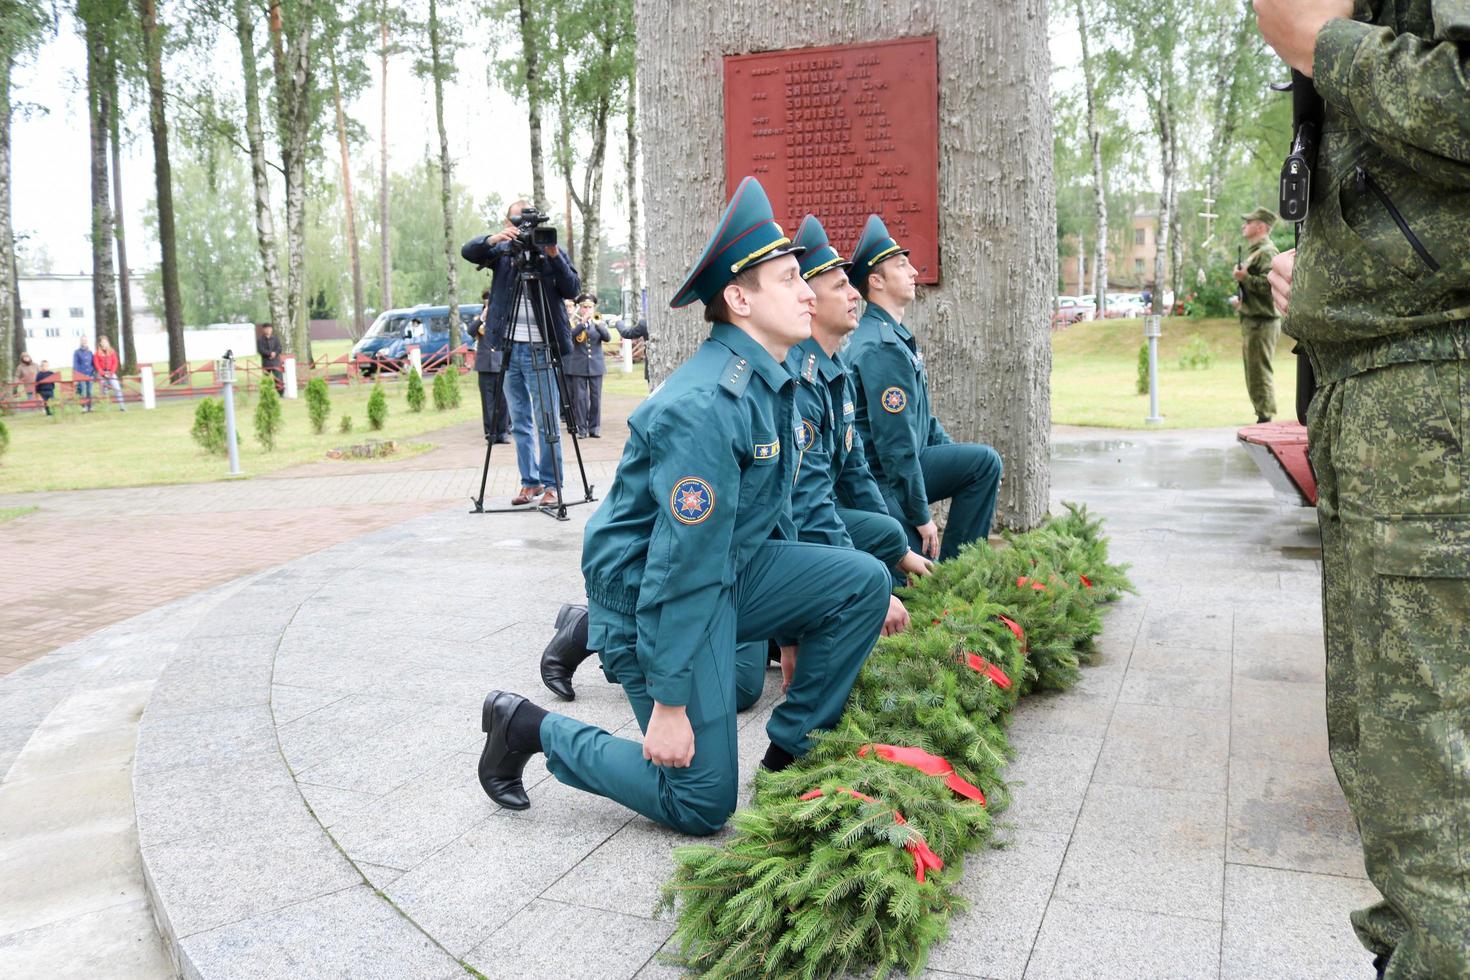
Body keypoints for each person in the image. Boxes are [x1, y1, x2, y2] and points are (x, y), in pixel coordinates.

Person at [478, 177, 890, 835]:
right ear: (738, 299)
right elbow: (679, 567)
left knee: (863, 582)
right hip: (652, 599)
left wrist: (797, 621)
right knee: (700, 803)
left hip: (725, 572)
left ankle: (791, 758)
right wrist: (670, 701)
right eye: (789, 280)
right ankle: (528, 727)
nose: (809, 290)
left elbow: (771, 511)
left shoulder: (768, 380)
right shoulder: (706, 407)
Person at [1256, 0, 1470, 976]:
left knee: (1436, 816)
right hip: (1391, 388)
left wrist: (1322, 43)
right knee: (1395, 774)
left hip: (1434, 399)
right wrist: (1341, 273)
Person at [844, 214, 1003, 561]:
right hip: (883, 482)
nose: (914, 272)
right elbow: (895, 447)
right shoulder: (881, 346)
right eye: (902, 266)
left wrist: (954, 463)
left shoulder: (893, 336)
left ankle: (960, 570)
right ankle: (957, 571)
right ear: (877, 281)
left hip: (905, 469)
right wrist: (922, 517)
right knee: (915, 574)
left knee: (979, 464)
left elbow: (924, 420)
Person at [461, 200, 580, 508]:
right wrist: (494, 239)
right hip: (510, 348)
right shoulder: (502, 252)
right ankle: (530, 482)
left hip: (542, 347)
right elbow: (468, 252)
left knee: (547, 420)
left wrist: (553, 256)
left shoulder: (549, 249)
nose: (524, 227)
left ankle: (553, 485)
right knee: (520, 421)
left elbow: (572, 288)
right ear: (508, 221)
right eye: (517, 220)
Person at [1233, 207, 1281, 423]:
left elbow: (1271, 284)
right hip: (1253, 319)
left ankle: (1265, 417)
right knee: (1253, 372)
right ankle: (1261, 414)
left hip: (1263, 322)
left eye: (1249, 222)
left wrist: (1245, 278)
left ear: (1261, 226)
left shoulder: (1268, 252)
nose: (1245, 225)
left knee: (1260, 373)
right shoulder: (1256, 252)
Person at [564, 292, 610, 437]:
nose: (587, 310)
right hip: (579, 366)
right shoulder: (574, 322)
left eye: (590, 307)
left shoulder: (599, 322)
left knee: (596, 398)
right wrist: (582, 324)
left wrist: (598, 325)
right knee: (580, 399)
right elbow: (569, 336)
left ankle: (594, 428)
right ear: (580, 308)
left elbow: (607, 337)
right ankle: (582, 428)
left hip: (596, 366)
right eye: (584, 307)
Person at [469, 291, 510, 444]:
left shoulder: (502, 319)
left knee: (503, 401)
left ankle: (503, 432)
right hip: (485, 365)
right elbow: (470, 331)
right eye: (487, 304)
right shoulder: (478, 321)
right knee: (488, 402)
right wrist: (482, 318)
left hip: (500, 364)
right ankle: (490, 433)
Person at [93, 335, 125, 411]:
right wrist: (103, 373)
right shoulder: (97, 353)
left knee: (117, 388)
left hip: (111, 373)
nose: (104, 343)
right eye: (102, 342)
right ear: (100, 343)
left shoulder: (112, 351)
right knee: (103, 390)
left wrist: (111, 373)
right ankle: (106, 408)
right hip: (102, 373)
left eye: (105, 341)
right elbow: (96, 365)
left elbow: (115, 363)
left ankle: (122, 406)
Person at [256, 323, 284, 395]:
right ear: (263, 330)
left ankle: (281, 393)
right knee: (266, 379)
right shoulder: (260, 340)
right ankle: (266, 393)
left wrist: (275, 353)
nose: (268, 330)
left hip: (276, 362)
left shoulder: (276, 339)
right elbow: (260, 350)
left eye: (270, 328)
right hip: (266, 362)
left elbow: (279, 348)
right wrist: (269, 354)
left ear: (272, 329)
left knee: (278, 378)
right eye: (266, 328)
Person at [72, 336, 95, 412]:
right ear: (80, 342)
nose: (84, 342)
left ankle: (90, 406)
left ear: (87, 341)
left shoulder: (90, 352)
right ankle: (84, 406)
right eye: (82, 340)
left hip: (90, 374)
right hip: (81, 375)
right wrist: (77, 375)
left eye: (85, 340)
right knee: (83, 391)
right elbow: (76, 365)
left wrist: (92, 372)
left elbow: (93, 363)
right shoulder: (77, 352)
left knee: (90, 391)